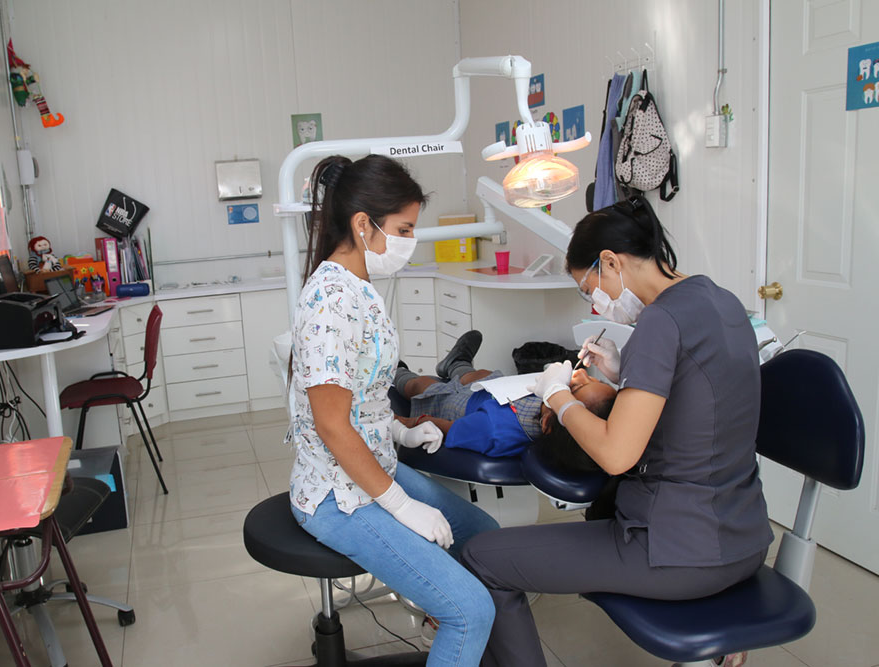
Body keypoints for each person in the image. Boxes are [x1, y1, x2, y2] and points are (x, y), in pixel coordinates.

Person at [461, 195, 772, 667]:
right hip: (745, 539)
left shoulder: (660, 322)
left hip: (678, 552)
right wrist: (625, 374)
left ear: (610, 261)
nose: (595, 302)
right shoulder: (722, 301)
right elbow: (702, 402)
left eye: (590, 289)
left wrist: (557, 397)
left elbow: (616, 455)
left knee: (480, 559)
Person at [288, 154, 499, 666]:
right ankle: (453, 626)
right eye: (404, 228)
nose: (409, 240)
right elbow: (332, 427)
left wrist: (400, 431)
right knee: (469, 611)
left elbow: (361, 399)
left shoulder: (359, 290)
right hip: (340, 496)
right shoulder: (329, 301)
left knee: (487, 540)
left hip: (374, 468)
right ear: (364, 225)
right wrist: (403, 506)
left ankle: (450, 637)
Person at [392, 330, 615, 463]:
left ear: (547, 423)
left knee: (422, 385)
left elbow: (444, 427)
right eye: (596, 379)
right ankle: (456, 365)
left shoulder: (494, 429)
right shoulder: (549, 411)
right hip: (498, 392)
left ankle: (394, 371)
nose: (582, 373)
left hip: (462, 407)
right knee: (480, 375)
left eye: (573, 389)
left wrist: (402, 424)